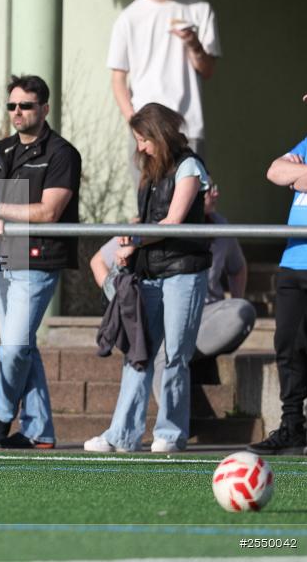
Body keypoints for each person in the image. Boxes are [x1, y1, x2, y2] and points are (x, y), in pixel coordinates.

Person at [84, 103, 210, 454]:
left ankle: (169, 434)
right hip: (150, 272)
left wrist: (134, 240)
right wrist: (131, 236)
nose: (140, 147)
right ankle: (122, 435)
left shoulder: (189, 166)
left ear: (160, 134)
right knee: (138, 353)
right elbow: (149, 220)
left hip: (184, 271)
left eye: (143, 139)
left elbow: (173, 222)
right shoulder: (150, 171)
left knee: (174, 356)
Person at [0, 74, 82, 450]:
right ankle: (40, 431)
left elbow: (50, 211)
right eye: (12, 106)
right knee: (21, 346)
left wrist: (1, 209)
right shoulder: (1, 150)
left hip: (39, 258)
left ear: (44, 108)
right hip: (0, 258)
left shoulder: (61, 152)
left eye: (26, 105)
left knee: (14, 347)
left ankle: (0, 418)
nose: (17, 112)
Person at [90, 178, 256, 367]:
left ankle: (177, 351)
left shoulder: (219, 226)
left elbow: (238, 268)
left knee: (242, 311)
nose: (216, 194)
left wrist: (236, 297)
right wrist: (119, 297)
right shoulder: (154, 227)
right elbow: (98, 261)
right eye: (209, 189)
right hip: (167, 315)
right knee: (167, 347)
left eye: (215, 187)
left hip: (206, 315)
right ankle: (171, 353)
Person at [108, 0, 221, 184]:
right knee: (148, 206)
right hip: (146, 129)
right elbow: (118, 79)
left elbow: (207, 70)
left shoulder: (199, 9)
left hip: (188, 125)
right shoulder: (129, 17)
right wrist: (135, 123)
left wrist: (193, 43)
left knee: (189, 206)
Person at [248, 92, 307, 456]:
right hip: (294, 263)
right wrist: (301, 175)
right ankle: (292, 427)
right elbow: (274, 171)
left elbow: (299, 181)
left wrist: (299, 176)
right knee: (289, 347)